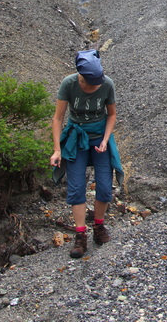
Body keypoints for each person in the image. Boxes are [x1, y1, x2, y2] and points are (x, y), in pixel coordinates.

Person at [50, 49, 124, 258]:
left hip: (100, 137)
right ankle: (80, 235)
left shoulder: (107, 84)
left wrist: (106, 140)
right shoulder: (69, 84)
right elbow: (58, 118)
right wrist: (57, 150)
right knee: (76, 187)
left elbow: (112, 115)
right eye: (92, 83)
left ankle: (99, 227)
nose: (96, 86)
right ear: (81, 76)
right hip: (76, 137)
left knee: (104, 186)